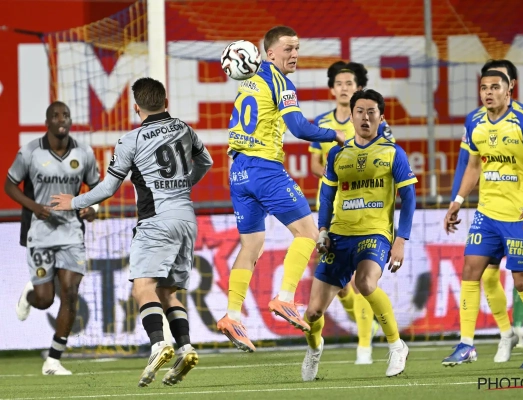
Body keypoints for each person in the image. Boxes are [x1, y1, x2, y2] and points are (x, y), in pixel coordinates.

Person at [51, 78, 214, 387]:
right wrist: (182, 185)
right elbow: (206, 162)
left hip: (156, 221)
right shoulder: (184, 129)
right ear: (166, 103)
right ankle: (185, 347)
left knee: (142, 288)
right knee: (167, 292)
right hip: (186, 219)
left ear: (136, 107)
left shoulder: (131, 140)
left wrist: (73, 201)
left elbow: (108, 188)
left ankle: (158, 345)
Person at [217, 25, 346, 353]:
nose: (295, 54)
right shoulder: (280, 82)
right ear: (270, 53)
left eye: (297, 48)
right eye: (288, 49)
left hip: (238, 171)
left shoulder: (250, 80)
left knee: (251, 245)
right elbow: (299, 128)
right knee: (308, 234)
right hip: (264, 169)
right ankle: (285, 298)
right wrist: (334, 135)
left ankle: (232, 315)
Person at [301, 89, 417, 380]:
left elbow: (409, 198)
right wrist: (323, 230)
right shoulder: (337, 154)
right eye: (360, 112)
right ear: (351, 117)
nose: (365, 117)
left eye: (371, 112)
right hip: (340, 236)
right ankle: (314, 349)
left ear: (381, 117)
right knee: (312, 313)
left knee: (365, 282)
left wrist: (401, 240)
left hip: (375, 234)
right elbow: (327, 197)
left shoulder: (393, 152)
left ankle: (396, 345)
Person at [443, 70, 523, 369]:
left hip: (520, 216)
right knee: (470, 270)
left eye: (495, 87)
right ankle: (466, 344)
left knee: (522, 281)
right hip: (487, 215)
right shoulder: (475, 122)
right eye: (484, 88)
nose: (488, 92)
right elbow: (473, 166)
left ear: (509, 90)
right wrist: (457, 201)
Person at [308, 61, 393, 364]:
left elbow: (388, 158)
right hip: (332, 210)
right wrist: (337, 174)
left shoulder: (372, 121)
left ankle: (365, 345)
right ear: (332, 89)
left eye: (349, 83)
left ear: (359, 88)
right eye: (339, 83)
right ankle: (364, 327)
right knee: (342, 288)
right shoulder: (321, 123)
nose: (344, 88)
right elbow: (315, 164)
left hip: (366, 211)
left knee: (362, 281)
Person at [6, 101, 100, 375]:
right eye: (56, 116)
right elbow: (9, 185)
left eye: (66, 115)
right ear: (47, 122)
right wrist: (34, 206)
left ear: (70, 121)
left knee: (70, 293)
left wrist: (93, 208)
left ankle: (53, 360)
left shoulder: (84, 153)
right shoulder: (30, 152)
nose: (61, 119)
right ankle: (30, 294)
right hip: (40, 233)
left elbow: (97, 187)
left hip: (72, 233)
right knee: (46, 299)